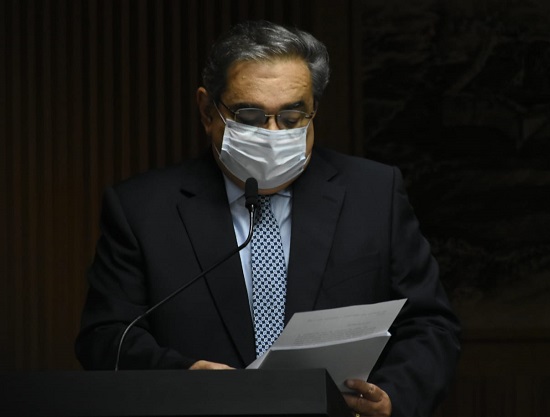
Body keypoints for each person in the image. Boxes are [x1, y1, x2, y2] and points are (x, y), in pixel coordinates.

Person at [75, 20, 460, 417]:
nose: (273, 134)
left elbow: (430, 325)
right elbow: (106, 337)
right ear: (207, 111)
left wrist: (393, 398)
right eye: (250, 115)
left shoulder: (373, 194)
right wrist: (184, 378)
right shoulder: (143, 209)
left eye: (292, 117)